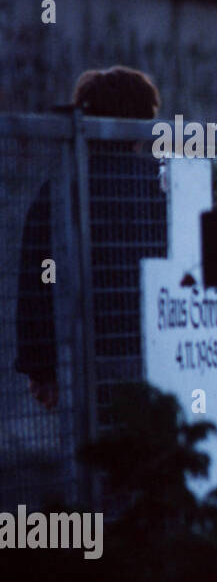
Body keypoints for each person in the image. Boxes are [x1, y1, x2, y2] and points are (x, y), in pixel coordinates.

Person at [14, 66, 166, 415]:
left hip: (85, 358)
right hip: (160, 354)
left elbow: (38, 280)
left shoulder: (60, 188)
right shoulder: (162, 185)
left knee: (98, 458)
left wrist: (40, 367)